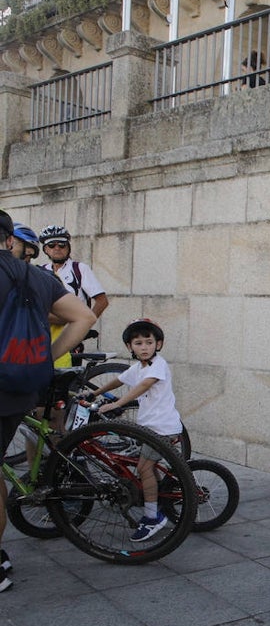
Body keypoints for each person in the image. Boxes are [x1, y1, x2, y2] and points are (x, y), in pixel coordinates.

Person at [0, 209, 96, 593]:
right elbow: (84, 316)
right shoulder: (37, 276)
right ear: (10, 241)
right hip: (23, 384)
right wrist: (46, 356)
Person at [84, 319, 185, 543]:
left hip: (162, 428)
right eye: (138, 343)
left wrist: (118, 404)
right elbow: (119, 381)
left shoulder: (158, 365)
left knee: (144, 469)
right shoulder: (139, 367)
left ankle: (152, 518)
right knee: (146, 466)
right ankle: (155, 500)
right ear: (130, 347)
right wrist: (94, 393)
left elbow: (143, 386)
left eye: (149, 342)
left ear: (158, 344)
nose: (144, 347)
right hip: (149, 428)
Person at [38, 225, 109, 369]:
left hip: (69, 332)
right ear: (45, 249)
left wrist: (83, 326)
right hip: (46, 334)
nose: (57, 248)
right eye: (51, 245)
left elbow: (102, 301)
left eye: (62, 244)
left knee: (65, 383)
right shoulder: (41, 271)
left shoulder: (79, 269)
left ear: (68, 247)